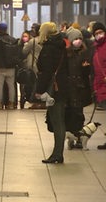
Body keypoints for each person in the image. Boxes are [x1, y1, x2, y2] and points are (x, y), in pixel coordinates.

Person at [35, 22, 68, 164]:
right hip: (61, 87)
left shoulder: (49, 48)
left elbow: (47, 72)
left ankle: (57, 155)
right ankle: (57, 153)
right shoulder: (61, 45)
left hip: (53, 89)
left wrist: (39, 90)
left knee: (57, 121)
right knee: (57, 120)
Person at [64, 28, 92, 148]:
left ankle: (79, 136)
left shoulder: (85, 53)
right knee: (69, 113)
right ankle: (71, 136)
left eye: (80, 39)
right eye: (75, 39)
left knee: (79, 114)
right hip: (68, 88)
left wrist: (86, 67)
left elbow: (87, 72)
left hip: (80, 88)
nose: (78, 41)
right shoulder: (65, 54)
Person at [90, 22, 106, 150]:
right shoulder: (97, 48)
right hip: (104, 86)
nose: (99, 35)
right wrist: (96, 86)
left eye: (100, 32)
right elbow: (97, 69)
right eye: (96, 33)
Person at [0, 22, 18, 109]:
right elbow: (16, 54)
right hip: (11, 67)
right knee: (11, 86)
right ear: (6, 29)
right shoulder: (13, 40)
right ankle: (11, 103)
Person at [23, 23, 44, 109]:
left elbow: (24, 52)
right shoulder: (45, 40)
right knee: (41, 84)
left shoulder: (33, 41)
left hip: (33, 65)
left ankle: (34, 100)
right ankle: (41, 101)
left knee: (33, 84)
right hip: (42, 65)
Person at [18, 30, 32, 108]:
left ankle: (28, 95)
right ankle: (22, 97)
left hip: (29, 67)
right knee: (22, 83)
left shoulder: (31, 45)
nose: (24, 38)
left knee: (29, 83)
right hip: (22, 68)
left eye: (26, 36)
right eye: (23, 36)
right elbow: (20, 55)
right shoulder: (19, 45)